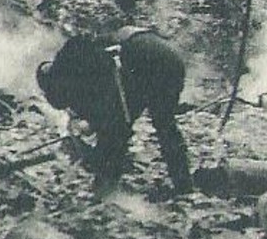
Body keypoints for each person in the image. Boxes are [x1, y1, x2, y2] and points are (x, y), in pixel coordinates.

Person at [36, 27, 194, 195]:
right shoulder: (86, 58)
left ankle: (106, 189)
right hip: (169, 58)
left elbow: (110, 120)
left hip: (142, 57)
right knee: (165, 125)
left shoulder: (68, 63)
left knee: (115, 131)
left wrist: (94, 137)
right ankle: (183, 185)